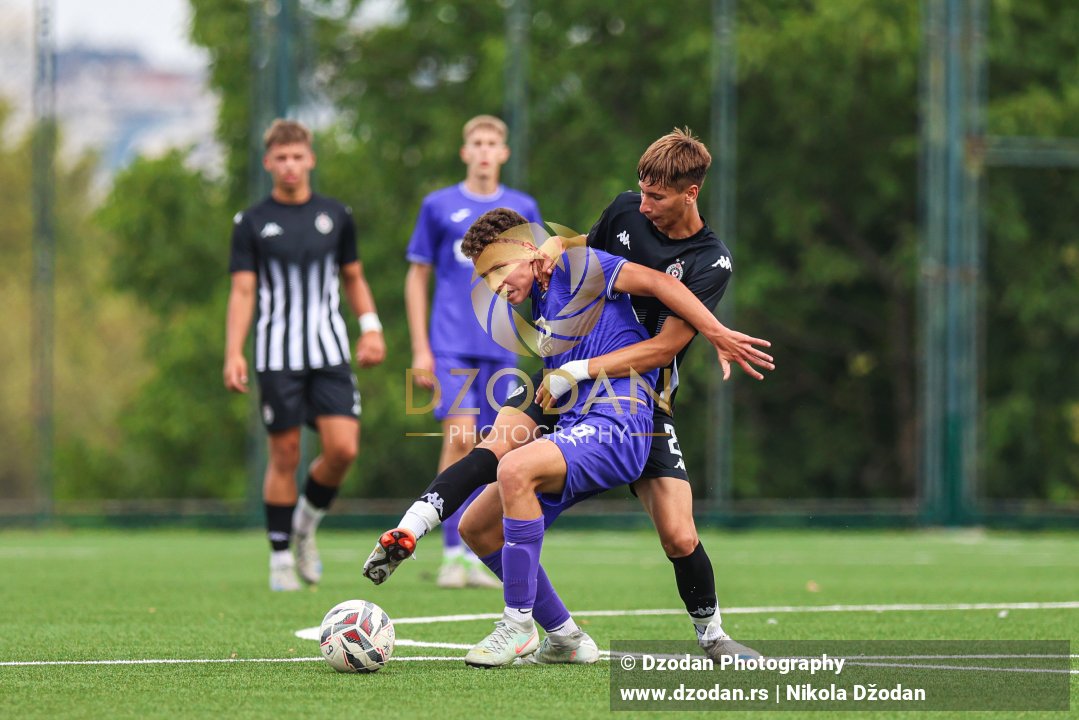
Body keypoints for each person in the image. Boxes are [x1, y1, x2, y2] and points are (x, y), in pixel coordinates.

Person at [365, 128, 771, 661]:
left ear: (690, 192)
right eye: (641, 191)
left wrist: (713, 331)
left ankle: (708, 636)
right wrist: (409, 528)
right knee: (480, 511)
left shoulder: (707, 260)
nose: (643, 204)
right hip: (577, 396)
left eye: (657, 197)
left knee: (678, 534)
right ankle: (565, 636)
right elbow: (578, 248)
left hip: (635, 398)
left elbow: (663, 337)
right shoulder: (607, 230)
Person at [224, 119, 385, 591]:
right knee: (285, 453)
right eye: (282, 158)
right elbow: (242, 290)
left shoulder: (336, 215)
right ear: (268, 162)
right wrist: (233, 351)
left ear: (310, 159)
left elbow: (353, 277)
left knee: (343, 449)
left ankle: (304, 527)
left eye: (298, 157)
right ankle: (278, 558)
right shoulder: (251, 222)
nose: (290, 166)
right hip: (277, 355)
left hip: (329, 350)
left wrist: (370, 327)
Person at [404, 115, 541, 589]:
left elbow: (536, 274)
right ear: (465, 151)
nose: (484, 151)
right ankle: (450, 554)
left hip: (501, 346)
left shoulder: (522, 206)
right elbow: (417, 276)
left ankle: (476, 546)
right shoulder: (438, 206)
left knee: (494, 447)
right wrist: (421, 347)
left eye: (492, 144)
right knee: (459, 439)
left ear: (503, 153)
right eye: (477, 143)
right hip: (451, 343)